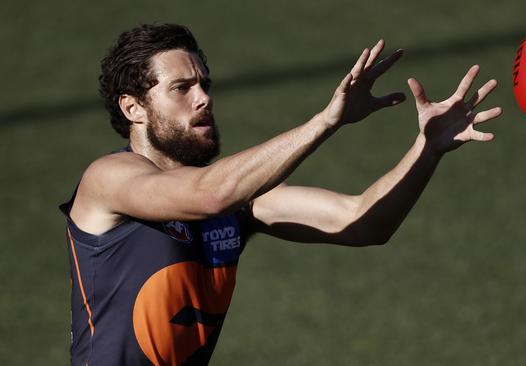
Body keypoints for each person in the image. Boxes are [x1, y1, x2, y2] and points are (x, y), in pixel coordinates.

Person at [60, 23, 502, 365]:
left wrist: (429, 147)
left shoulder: (240, 201)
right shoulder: (109, 179)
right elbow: (208, 195)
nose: (204, 99)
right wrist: (325, 121)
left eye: (204, 84)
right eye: (181, 88)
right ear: (133, 108)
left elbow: (362, 220)